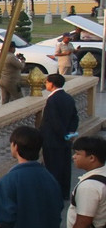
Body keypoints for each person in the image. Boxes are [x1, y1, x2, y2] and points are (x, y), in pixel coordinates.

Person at [40, 72, 79, 200]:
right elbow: (75, 117)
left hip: (53, 140)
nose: (46, 84)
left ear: (52, 83)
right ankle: (64, 193)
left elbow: (54, 121)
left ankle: (53, 194)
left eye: (46, 82)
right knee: (65, 167)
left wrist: (62, 134)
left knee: (53, 167)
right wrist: (70, 133)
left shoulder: (52, 100)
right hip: (65, 140)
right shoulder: (68, 98)